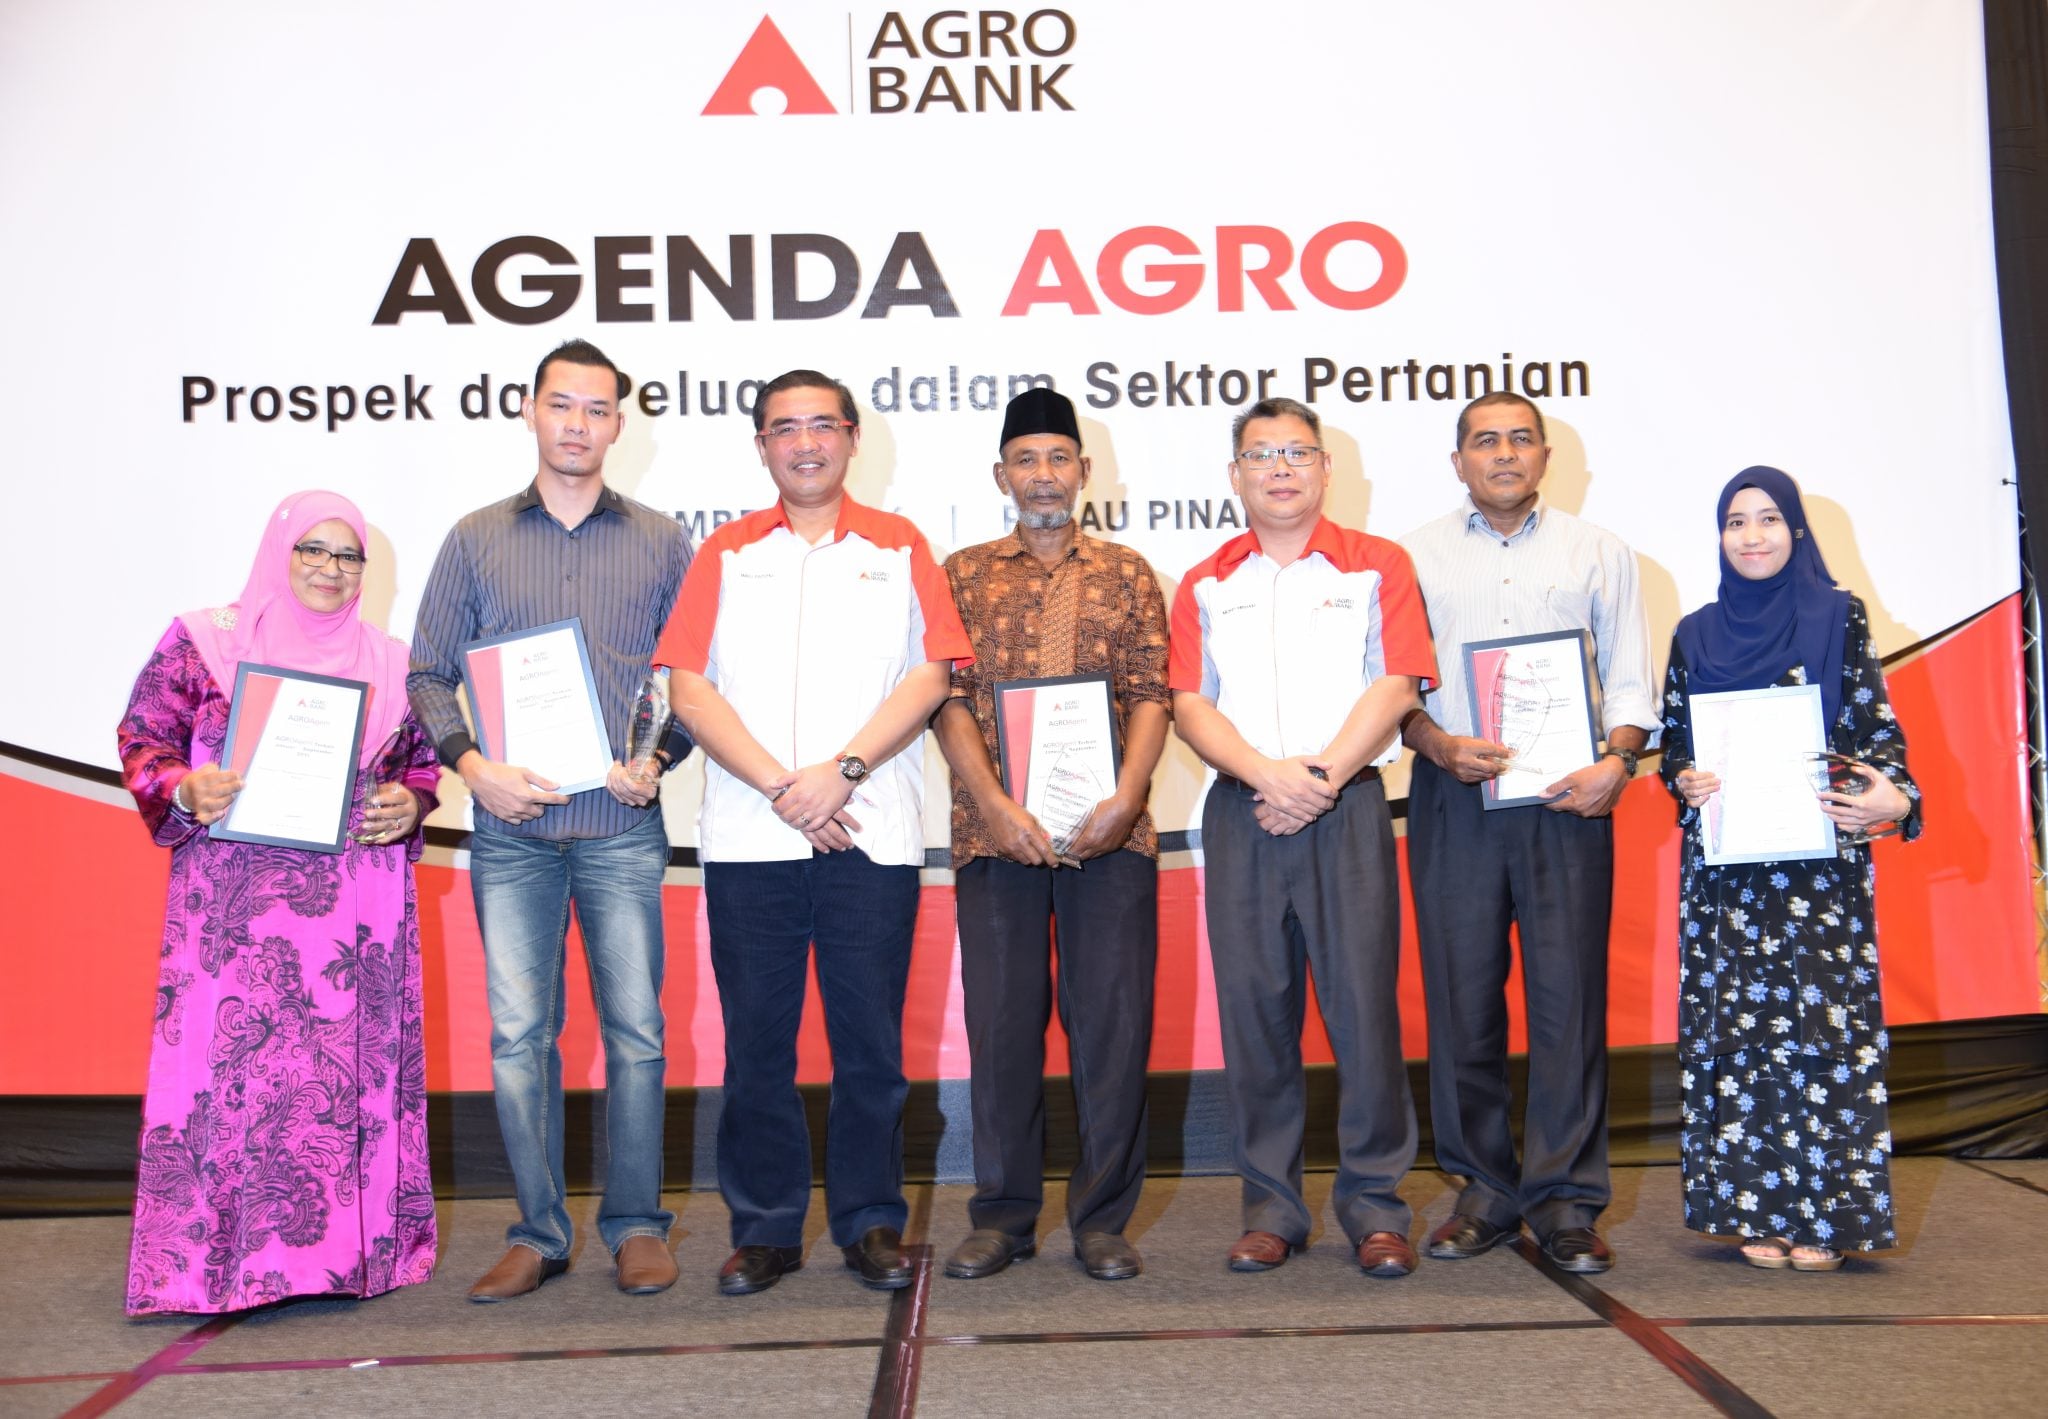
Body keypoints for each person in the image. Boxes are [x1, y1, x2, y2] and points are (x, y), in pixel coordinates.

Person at [652, 370, 972, 1296]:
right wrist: (781, 786)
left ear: (852, 438)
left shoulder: (900, 545)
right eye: (784, 428)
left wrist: (842, 774)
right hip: (751, 838)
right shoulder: (726, 551)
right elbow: (689, 687)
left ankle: (871, 1220)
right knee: (757, 1043)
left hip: (868, 832)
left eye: (822, 425)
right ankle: (766, 1226)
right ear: (761, 445)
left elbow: (932, 675)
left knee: (869, 1041)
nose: (805, 443)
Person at [408, 339, 694, 1302]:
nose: (577, 423)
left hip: (620, 827)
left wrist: (658, 759)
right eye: (561, 404)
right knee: (519, 1036)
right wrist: (472, 766)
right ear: (529, 410)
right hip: (511, 833)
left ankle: (637, 1223)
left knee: (637, 1033)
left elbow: (690, 682)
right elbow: (427, 672)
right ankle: (538, 1230)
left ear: (619, 424)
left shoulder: (663, 541)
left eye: (597, 408)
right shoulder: (475, 537)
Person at [118, 490, 439, 1315]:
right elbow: (144, 737)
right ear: (280, 550)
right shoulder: (203, 641)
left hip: (353, 911)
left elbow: (420, 764)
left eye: (348, 555)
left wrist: (412, 802)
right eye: (313, 549)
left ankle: (342, 1258)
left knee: (335, 1078)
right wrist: (183, 785)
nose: (331, 569)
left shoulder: (392, 662)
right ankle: (213, 1264)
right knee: (232, 1073)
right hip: (234, 907)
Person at [1168, 397, 1434, 1279]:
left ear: (1324, 468)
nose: (1279, 468)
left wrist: (1315, 781)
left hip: (1345, 808)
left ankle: (1376, 1206)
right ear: (1235, 474)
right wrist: (1264, 775)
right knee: (1256, 1017)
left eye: (1296, 452)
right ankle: (1271, 1208)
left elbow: (1395, 685)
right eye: (1261, 454)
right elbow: (1190, 702)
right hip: (1243, 812)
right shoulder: (1205, 580)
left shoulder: (1377, 564)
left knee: (1363, 1013)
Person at [1398, 392, 1658, 1274]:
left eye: (1519, 439)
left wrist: (1618, 760)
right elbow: (1395, 687)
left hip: (1566, 800)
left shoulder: (1600, 551)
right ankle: (1483, 1190)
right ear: (1458, 461)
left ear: (1545, 455)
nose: (1503, 453)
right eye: (1485, 440)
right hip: (1455, 795)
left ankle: (1566, 1201)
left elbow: (1630, 679)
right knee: (1461, 1001)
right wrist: (1436, 741)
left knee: (1566, 1002)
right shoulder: (1414, 557)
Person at [935, 388, 1171, 1283]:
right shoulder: (962, 574)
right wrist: (994, 804)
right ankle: (1002, 1214)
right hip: (994, 835)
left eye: (1058, 458)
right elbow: (948, 700)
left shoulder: (1127, 572)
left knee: (1112, 1025)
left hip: (1110, 835)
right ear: (1001, 475)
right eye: (1026, 459)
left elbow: (1152, 693)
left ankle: (1102, 1219)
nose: (1043, 474)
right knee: (1001, 1027)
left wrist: (1127, 795)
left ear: (1084, 471)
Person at [1660, 466, 1919, 1271]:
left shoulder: (1838, 616)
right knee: (1735, 1036)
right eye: (1736, 521)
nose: (1752, 535)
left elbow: (1875, 732)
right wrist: (1684, 778)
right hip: (1726, 878)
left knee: (1825, 1034)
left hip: (1817, 872)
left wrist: (1893, 796)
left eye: (1769, 518)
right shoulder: (1694, 633)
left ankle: (1827, 1217)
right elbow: (1675, 744)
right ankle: (1756, 1209)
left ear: (1797, 531)